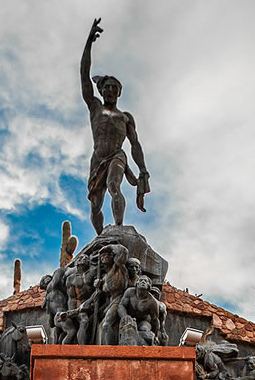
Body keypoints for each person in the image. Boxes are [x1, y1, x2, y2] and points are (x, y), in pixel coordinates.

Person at [81, 18, 150, 235]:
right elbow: (84, 73)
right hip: (97, 158)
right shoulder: (95, 108)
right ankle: (101, 236)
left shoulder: (125, 117)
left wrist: (142, 170)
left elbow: (135, 145)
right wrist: (89, 43)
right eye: (107, 87)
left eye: (114, 88)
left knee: (114, 185)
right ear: (102, 91)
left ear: (118, 92)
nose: (110, 90)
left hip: (117, 156)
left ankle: (119, 228)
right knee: (95, 204)